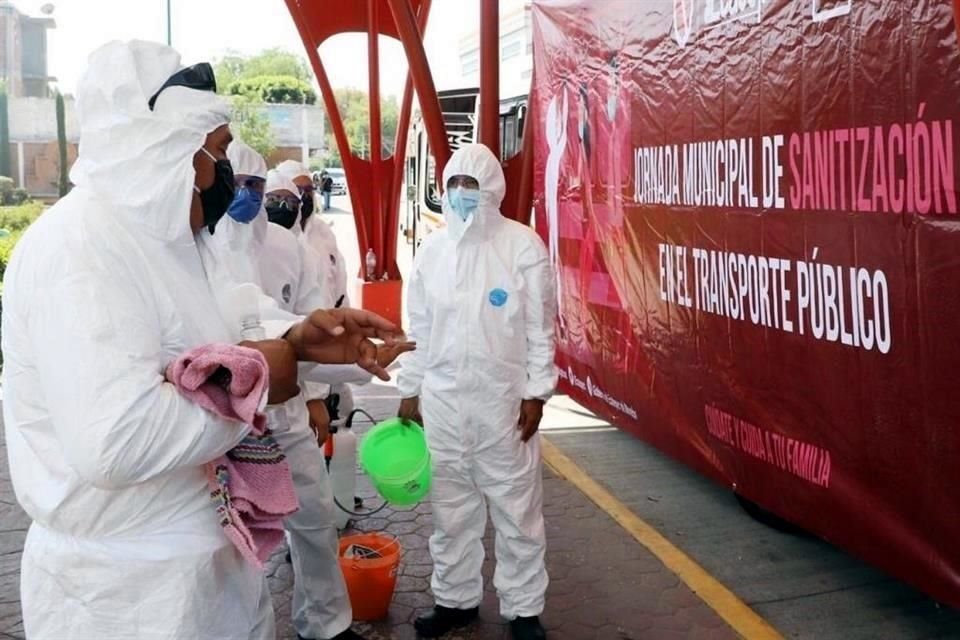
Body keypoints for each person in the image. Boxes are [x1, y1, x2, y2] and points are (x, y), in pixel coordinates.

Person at [1, 41, 401, 640]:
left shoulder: (176, 244)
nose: (220, 178)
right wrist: (263, 379)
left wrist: (299, 337)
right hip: (128, 597)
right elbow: (115, 439)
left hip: (208, 572)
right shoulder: (79, 248)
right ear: (159, 149)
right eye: (212, 156)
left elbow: (226, 325)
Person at [397, 144, 558, 640]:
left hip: (503, 405)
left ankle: (524, 609)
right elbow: (417, 328)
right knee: (451, 514)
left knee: (517, 512)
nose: (463, 195)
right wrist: (410, 389)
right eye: (455, 185)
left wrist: (537, 392)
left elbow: (541, 328)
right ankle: (456, 600)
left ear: (493, 190)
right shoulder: (432, 252)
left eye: (473, 185)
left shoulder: (522, 246)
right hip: (445, 406)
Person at [278, 159, 355, 423]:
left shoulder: (324, 234)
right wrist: (312, 395)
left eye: (309, 190)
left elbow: (340, 288)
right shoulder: (275, 242)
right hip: (294, 359)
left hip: (330, 348)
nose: (304, 197)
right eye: (297, 191)